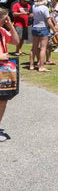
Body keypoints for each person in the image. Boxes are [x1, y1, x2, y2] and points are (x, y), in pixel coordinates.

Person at [0, 8, 20, 142]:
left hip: (3, 70)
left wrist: (10, 26)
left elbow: (15, 41)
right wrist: (1, 56)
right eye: (5, 19)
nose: (6, 21)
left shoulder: (2, 30)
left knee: (3, 99)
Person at [29, 0, 55, 72]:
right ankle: (41, 66)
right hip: (43, 28)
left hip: (34, 27)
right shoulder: (44, 8)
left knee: (34, 48)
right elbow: (48, 20)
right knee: (43, 48)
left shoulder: (34, 6)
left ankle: (31, 65)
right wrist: (54, 29)